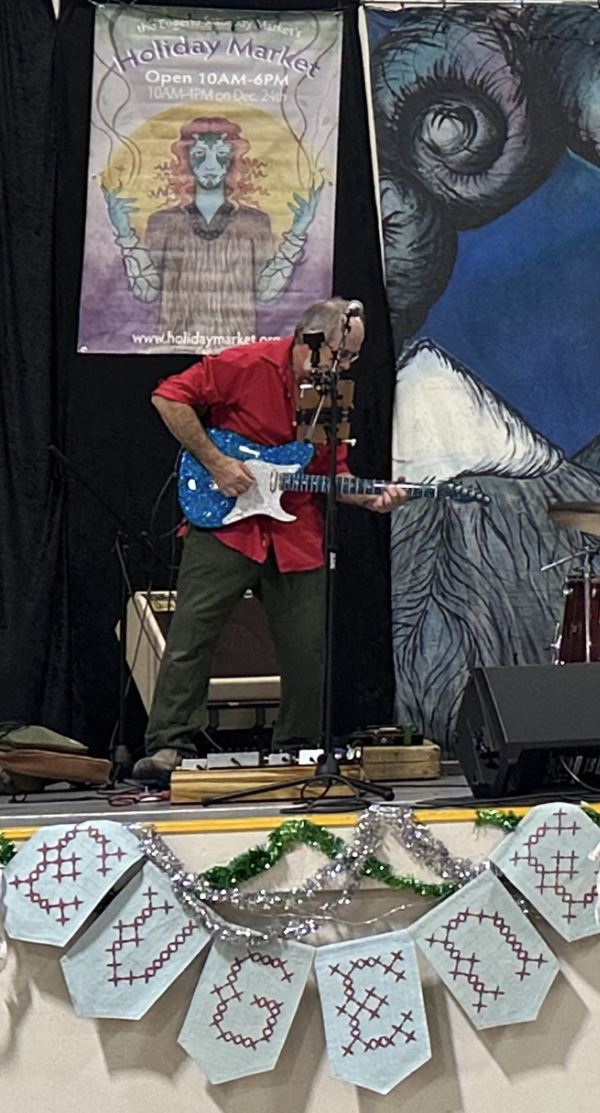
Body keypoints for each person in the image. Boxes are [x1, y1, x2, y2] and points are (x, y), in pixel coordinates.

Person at [132, 297, 402, 783]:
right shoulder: (246, 363)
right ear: (307, 342)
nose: (345, 368)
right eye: (339, 357)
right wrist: (216, 461)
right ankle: (169, 744)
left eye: (353, 359)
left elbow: (328, 470)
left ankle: (296, 748)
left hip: (295, 528)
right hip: (226, 523)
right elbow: (168, 397)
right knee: (192, 635)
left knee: (307, 647)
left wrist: (367, 497)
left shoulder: (332, 393)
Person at [103, 116, 322, 348]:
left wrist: (297, 233)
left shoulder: (255, 222)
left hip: (236, 353)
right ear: (186, 160)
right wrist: (125, 232)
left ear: (232, 161)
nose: (210, 166)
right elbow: (147, 291)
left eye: (220, 156)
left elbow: (266, 293)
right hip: (175, 347)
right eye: (199, 156)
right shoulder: (164, 221)